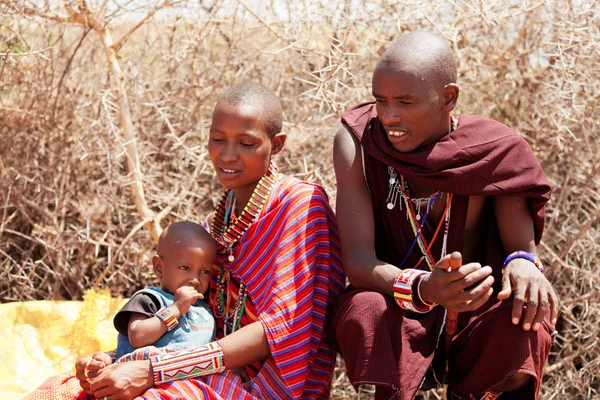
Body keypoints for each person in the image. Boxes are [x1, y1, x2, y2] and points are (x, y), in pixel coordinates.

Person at [26, 81, 345, 400]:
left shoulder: (299, 205)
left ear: (276, 145)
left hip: (268, 387)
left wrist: (155, 371)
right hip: (205, 370)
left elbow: (280, 328)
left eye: (246, 143)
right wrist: (115, 360)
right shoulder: (215, 227)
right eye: (217, 139)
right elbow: (196, 327)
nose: (227, 154)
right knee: (62, 390)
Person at [327, 31, 558, 400]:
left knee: (525, 316)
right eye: (380, 100)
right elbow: (357, 263)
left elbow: (521, 250)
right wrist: (423, 288)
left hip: (474, 310)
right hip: (396, 301)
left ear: (448, 98)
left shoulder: (493, 151)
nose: (389, 116)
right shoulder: (359, 142)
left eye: (405, 102)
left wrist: (525, 265)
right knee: (364, 310)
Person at [113, 221, 216, 361]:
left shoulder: (205, 310)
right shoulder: (151, 299)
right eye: (185, 268)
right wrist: (176, 309)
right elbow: (137, 336)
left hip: (191, 375)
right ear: (159, 268)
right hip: (149, 373)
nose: (195, 280)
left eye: (205, 271)